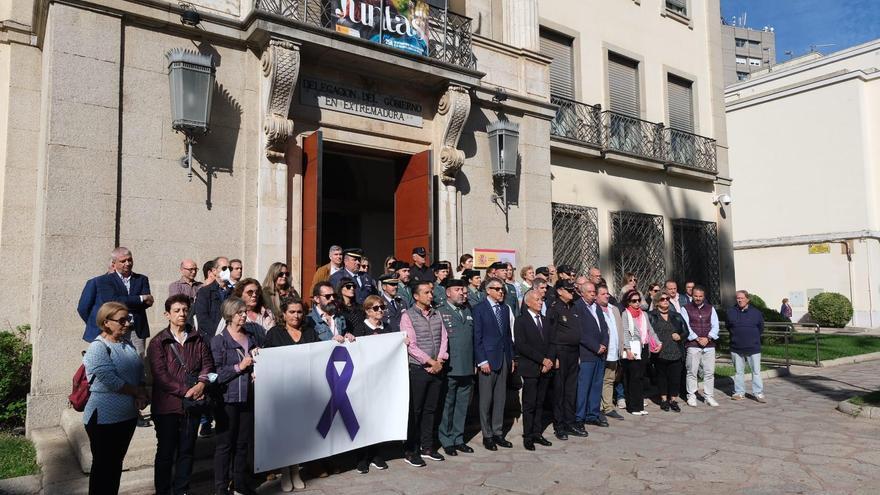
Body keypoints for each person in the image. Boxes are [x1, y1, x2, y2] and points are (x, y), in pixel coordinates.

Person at [147, 294, 214, 495]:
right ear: (167, 314)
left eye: (185, 310)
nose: (182, 314)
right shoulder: (159, 342)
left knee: (187, 451)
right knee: (166, 452)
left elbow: (208, 364)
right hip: (167, 407)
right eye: (177, 310)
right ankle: (163, 490)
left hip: (191, 406)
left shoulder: (197, 338)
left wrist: (202, 384)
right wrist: (187, 391)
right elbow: (160, 375)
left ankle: (182, 489)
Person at [82, 302, 149, 495]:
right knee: (103, 467)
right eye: (121, 320)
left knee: (115, 465)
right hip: (103, 418)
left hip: (126, 417)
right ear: (106, 322)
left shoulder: (126, 344)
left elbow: (139, 372)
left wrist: (141, 390)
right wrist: (137, 392)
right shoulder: (98, 347)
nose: (127, 323)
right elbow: (111, 381)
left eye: (128, 319)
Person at [263, 298, 315, 491]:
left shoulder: (309, 332)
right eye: (292, 312)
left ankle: (296, 470)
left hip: (305, 390)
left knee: (299, 433)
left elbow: (319, 354)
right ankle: (285, 471)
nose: (296, 316)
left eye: (299, 312)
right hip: (282, 390)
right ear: (283, 314)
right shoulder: (274, 334)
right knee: (285, 432)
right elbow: (266, 359)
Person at [212, 297, 259, 495]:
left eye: (244, 312)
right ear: (230, 315)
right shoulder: (219, 340)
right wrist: (239, 367)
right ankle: (221, 488)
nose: (243, 316)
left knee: (242, 444)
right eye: (239, 313)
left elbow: (255, 362)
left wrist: (257, 365)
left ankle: (240, 483)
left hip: (248, 396)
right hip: (227, 399)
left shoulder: (251, 337)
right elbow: (215, 373)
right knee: (225, 445)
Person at [400, 280, 448, 466]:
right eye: (427, 292)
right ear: (416, 296)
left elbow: (444, 337)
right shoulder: (408, 316)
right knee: (416, 410)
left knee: (431, 409)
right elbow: (410, 344)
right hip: (418, 369)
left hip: (437, 367)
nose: (431, 295)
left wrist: (440, 359)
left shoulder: (437, 313)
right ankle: (411, 449)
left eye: (431, 292)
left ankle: (427, 446)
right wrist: (429, 361)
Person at [349, 295, 392, 474]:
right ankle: (361, 458)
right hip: (364, 381)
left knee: (378, 419)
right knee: (363, 419)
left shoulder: (388, 329)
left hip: (381, 382)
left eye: (382, 307)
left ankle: (376, 454)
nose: (380, 310)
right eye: (375, 308)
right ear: (367, 311)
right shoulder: (360, 329)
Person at [472, 277, 515, 451]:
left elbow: (507, 336)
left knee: (500, 397)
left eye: (502, 289)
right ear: (488, 290)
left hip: (503, 357)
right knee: (486, 399)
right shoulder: (479, 309)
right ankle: (487, 434)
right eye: (497, 289)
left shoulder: (505, 309)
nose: (501, 292)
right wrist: (482, 360)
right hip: (487, 360)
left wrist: (512, 359)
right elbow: (477, 337)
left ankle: (498, 432)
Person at [436, 279, 476, 457]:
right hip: (451, 367)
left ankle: (458, 438)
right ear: (448, 293)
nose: (462, 292)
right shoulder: (440, 312)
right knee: (448, 404)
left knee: (462, 405)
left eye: (463, 289)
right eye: (457, 289)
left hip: (467, 365)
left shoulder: (468, 310)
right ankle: (446, 440)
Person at [514, 290, 555, 450]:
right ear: (528, 302)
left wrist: (549, 360)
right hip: (531, 367)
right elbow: (522, 345)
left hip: (546, 368)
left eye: (542, 299)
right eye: (537, 300)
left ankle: (537, 433)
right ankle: (528, 436)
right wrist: (542, 360)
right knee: (529, 403)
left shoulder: (545, 320)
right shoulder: (521, 321)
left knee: (540, 403)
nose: (541, 302)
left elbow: (552, 342)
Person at [546, 279, 586, 440]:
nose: (572, 293)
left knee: (571, 389)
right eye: (569, 290)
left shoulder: (573, 307)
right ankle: (559, 424)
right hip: (560, 353)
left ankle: (570, 422)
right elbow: (551, 334)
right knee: (560, 391)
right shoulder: (554, 308)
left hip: (573, 352)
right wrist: (553, 356)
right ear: (560, 291)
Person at [96, 247, 154, 356]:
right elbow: (112, 302)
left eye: (129, 260)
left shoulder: (141, 279)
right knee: (116, 359)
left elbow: (148, 303)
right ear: (114, 263)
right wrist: (140, 298)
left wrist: (123, 301)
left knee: (138, 361)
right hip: (115, 328)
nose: (127, 263)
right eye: (123, 261)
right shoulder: (105, 280)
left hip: (137, 329)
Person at [574, 281, 609, 429]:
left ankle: (593, 414)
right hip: (587, 353)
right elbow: (580, 332)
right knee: (584, 386)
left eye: (594, 291)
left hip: (600, 354)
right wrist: (595, 347)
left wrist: (604, 344)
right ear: (582, 293)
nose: (593, 294)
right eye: (589, 292)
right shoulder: (578, 307)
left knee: (596, 385)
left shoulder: (597, 307)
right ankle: (579, 417)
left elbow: (604, 328)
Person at [620, 289, 659, 416]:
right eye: (634, 301)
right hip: (632, 347)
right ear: (628, 302)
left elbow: (650, 330)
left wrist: (658, 342)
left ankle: (640, 405)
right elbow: (625, 332)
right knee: (633, 378)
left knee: (641, 377)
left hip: (644, 347)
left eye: (638, 300)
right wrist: (627, 349)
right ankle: (632, 407)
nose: (637, 303)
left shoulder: (643, 314)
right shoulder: (625, 314)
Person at [681, 286, 720, 407]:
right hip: (693, 345)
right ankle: (691, 396)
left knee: (709, 372)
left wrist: (708, 338)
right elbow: (685, 326)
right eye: (696, 296)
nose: (698, 298)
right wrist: (697, 338)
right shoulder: (685, 308)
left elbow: (715, 325)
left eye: (700, 296)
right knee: (692, 371)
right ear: (692, 295)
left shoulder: (710, 308)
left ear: (704, 296)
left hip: (709, 345)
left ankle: (709, 396)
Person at [647, 292, 687, 412]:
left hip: (676, 351)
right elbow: (647, 332)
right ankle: (664, 399)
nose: (666, 301)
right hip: (660, 352)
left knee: (675, 377)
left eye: (667, 299)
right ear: (657, 302)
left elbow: (686, 331)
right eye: (663, 299)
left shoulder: (676, 315)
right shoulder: (650, 316)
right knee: (662, 377)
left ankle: (673, 400)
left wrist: (680, 336)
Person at [728, 290, 766, 403]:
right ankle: (739, 393)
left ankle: (758, 393)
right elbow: (728, 326)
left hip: (753, 347)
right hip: (736, 347)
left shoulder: (756, 313)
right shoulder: (731, 312)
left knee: (756, 371)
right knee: (739, 372)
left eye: (742, 298)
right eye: (738, 298)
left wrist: (752, 338)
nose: (739, 300)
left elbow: (761, 328)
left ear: (747, 299)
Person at [597, 285, 626, 419]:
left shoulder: (614, 309)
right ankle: (597, 407)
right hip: (600, 351)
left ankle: (608, 407)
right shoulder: (594, 309)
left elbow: (619, 329)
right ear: (596, 296)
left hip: (614, 351)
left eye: (607, 293)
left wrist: (622, 347)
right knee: (597, 380)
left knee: (609, 379)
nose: (607, 296)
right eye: (603, 294)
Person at [193, 258, 232, 341]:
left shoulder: (235, 292)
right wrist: (220, 335)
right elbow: (202, 318)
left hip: (231, 340)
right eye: (224, 268)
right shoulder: (205, 292)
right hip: (211, 340)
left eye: (229, 268)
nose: (228, 271)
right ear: (214, 271)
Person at [78, 261, 114, 342]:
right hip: (101, 332)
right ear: (112, 265)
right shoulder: (95, 282)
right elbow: (83, 308)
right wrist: (97, 323)